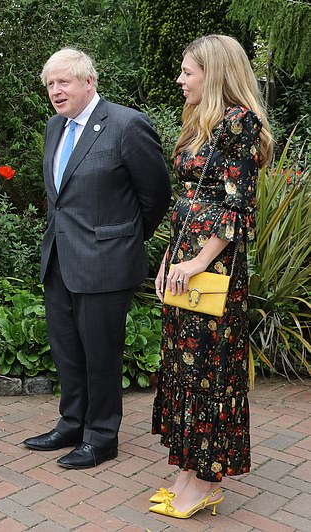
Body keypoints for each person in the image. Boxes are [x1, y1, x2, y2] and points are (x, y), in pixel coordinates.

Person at [24, 48, 171, 468]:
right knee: (67, 350)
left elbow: (156, 195)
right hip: (60, 260)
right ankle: (72, 423)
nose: (55, 91)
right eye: (50, 84)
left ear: (89, 81)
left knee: (102, 354)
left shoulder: (126, 125)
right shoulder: (56, 127)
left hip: (106, 263)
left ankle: (102, 437)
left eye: (63, 82)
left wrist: (122, 240)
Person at [149, 34, 273, 519]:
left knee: (209, 369)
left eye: (188, 72)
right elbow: (190, 202)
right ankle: (187, 470)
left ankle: (205, 479)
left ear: (215, 73)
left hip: (213, 266)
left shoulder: (240, 124)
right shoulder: (204, 122)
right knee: (185, 366)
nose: (180, 80)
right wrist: (168, 258)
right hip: (186, 256)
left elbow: (238, 208)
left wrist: (198, 261)